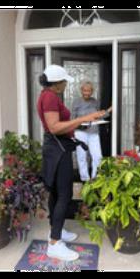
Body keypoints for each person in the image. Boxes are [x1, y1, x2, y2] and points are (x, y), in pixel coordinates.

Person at [37, 65, 106, 261]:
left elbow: (56, 127)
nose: (66, 83)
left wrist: (75, 132)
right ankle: (55, 243)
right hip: (58, 151)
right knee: (64, 193)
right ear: (57, 83)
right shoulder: (50, 97)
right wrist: (84, 118)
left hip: (58, 148)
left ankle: (55, 229)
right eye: (64, 81)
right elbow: (54, 127)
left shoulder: (46, 95)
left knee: (57, 192)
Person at [71, 81, 111, 181]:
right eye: (85, 90)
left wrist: (110, 109)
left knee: (97, 156)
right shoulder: (76, 102)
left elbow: (99, 115)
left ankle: (95, 178)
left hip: (93, 132)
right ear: (81, 90)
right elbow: (72, 119)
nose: (87, 93)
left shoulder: (95, 102)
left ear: (92, 91)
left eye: (89, 91)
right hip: (80, 132)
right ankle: (84, 179)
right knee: (81, 156)